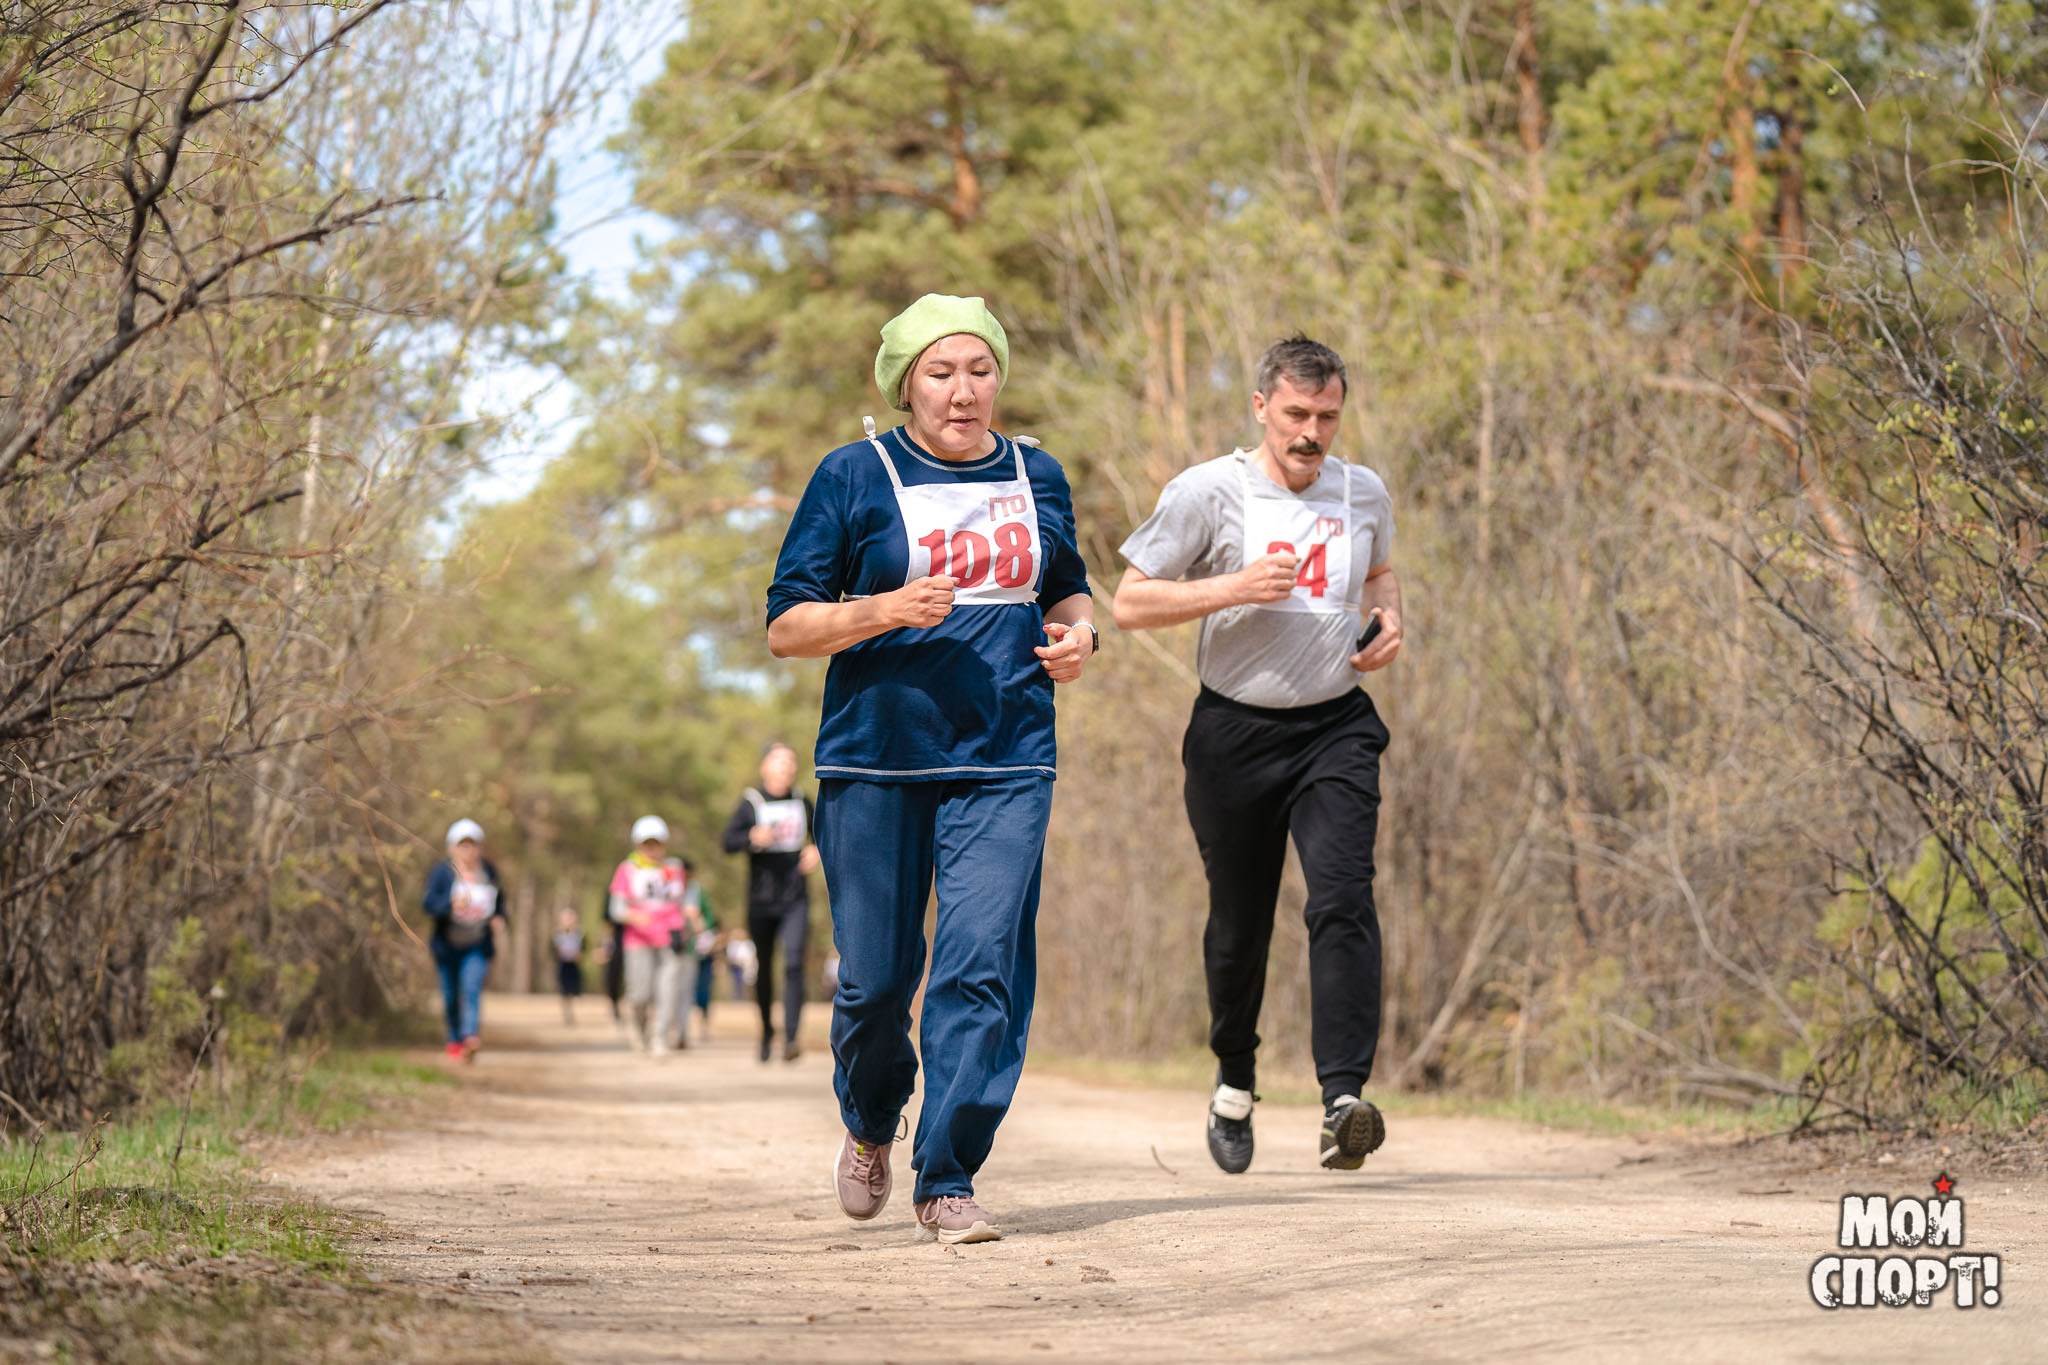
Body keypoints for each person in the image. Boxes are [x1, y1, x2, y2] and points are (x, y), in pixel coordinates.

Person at [767, 293, 1097, 1244]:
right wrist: (882, 609)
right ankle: (871, 1120)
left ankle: (946, 1172)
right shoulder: (853, 476)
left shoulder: (1037, 471)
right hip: (876, 761)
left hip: (1006, 757)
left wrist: (1081, 639)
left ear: (1000, 375)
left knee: (982, 965)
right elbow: (788, 625)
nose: (964, 391)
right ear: (905, 382)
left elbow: (1067, 588)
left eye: (980, 369)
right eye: (941, 372)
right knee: (873, 982)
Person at [1111, 335, 1403, 1175]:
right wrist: (1231, 586)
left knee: (1342, 897)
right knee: (1239, 925)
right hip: (1233, 732)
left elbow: (1379, 572)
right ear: (1261, 407)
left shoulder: (1363, 491)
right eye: (1297, 415)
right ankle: (1234, 1076)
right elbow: (1129, 603)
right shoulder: (1211, 490)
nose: (1311, 433)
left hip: (1333, 726)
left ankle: (1342, 1099)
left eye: (1328, 417)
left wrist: (1389, 622)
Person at [721, 742, 820, 1062]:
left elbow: (826, 833)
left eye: (791, 762)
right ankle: (766, 1031)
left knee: (793, 964)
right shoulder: (752, 802)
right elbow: (728, 842)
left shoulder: (801, 801)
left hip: (795, 899)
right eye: (779, 762)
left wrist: (817, 850)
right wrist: (751, 837)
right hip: (761, 901)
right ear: (765, 767)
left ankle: (791, 1038)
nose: (787, 767)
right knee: (763, 969)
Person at [607, 815, 699, 1057]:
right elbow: (615, 909)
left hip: (670, 938)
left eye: (656, 843)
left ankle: (660, 1038)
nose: (652, 849)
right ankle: (639, 1028)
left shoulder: (674, 868)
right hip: (638, 940)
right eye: (647, 844)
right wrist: (634, 917)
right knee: (640, 993)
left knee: (667, 990)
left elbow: (687, 897)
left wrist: (691, 912)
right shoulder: (627, 870)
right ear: (638, 845)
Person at [421, 818, 506, 1062]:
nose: (468, 850)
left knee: (471, 988)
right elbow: (428, 903)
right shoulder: (442, 873)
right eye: (463, 845)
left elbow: (500, 902)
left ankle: (470, 1036)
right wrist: (450, 905)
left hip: (477, 943)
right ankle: (454, 1038)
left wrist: (499, 918)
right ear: (452, 847)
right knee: (449, 996)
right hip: (447, 945)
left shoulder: (488, 872)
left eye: (473, 845)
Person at [553, 908, 586, 1026]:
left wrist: (579, 956)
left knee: (574, 991)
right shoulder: (557, 935)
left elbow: (584, 950)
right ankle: (567, 1014)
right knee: (564, 990)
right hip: (563, 966)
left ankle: (572, 1013)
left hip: (574, 966)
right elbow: (552, 951)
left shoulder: (579, 934)